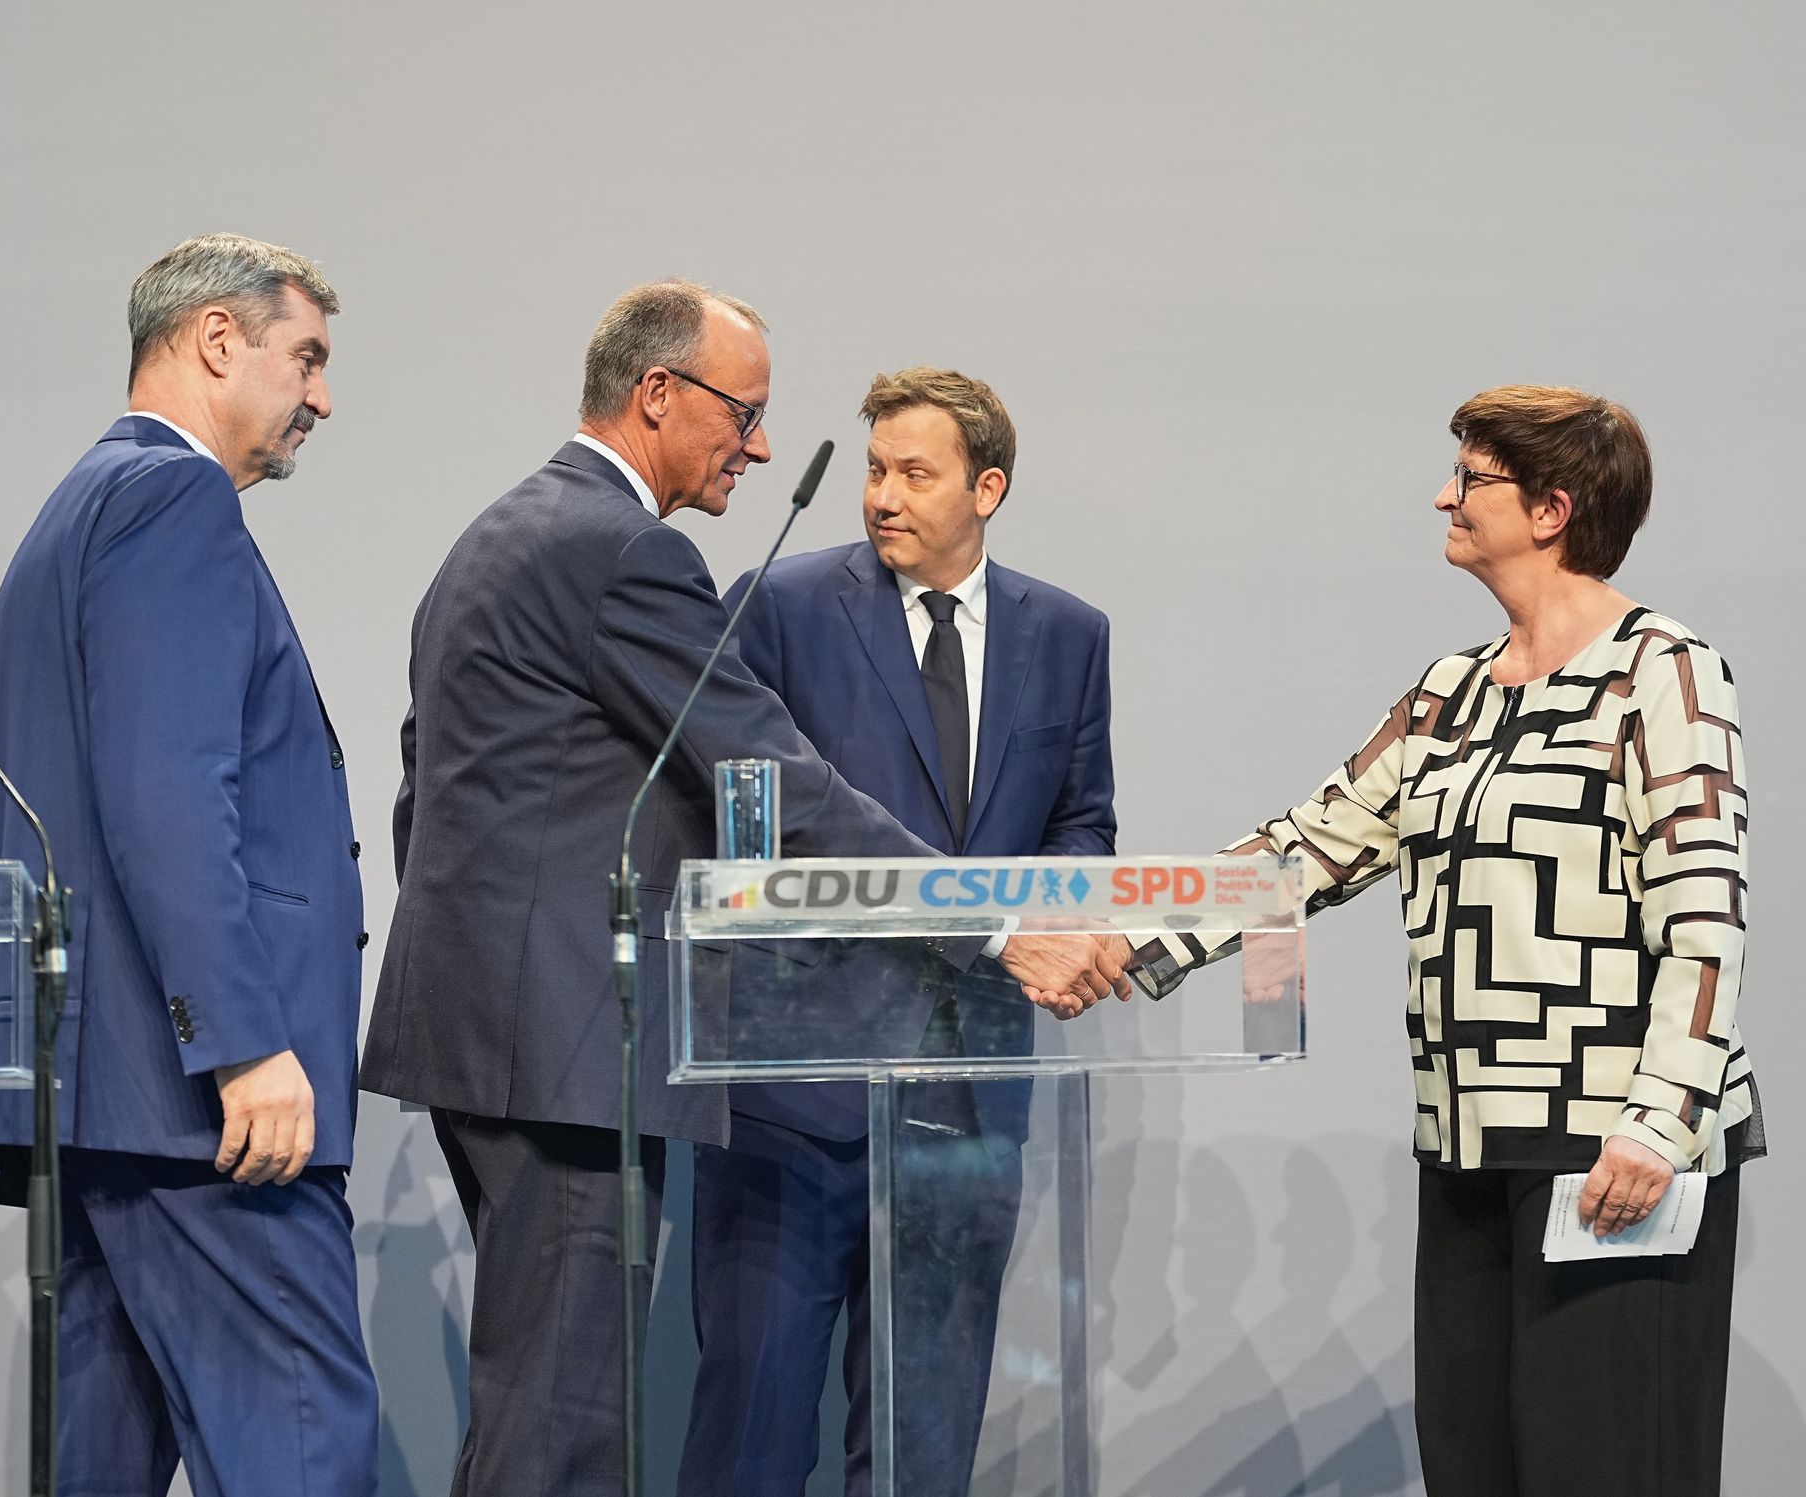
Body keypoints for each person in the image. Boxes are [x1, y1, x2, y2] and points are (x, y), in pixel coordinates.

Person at [358, 281, 1123, 1496]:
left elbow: (429, 785)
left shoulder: (508, 528)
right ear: (658, 393)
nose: (760, 446)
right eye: (744, 413)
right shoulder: (624, 551)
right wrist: (993, 924)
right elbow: (777, 787)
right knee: (559, 1426)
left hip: (515, 1034)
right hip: (570, 1048)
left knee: (545, 1411)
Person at [1133, 386, 1759, 1497]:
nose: (1443, 496)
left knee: (1604, 1472)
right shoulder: (1447, 692)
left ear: (1551, 507)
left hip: (1608, 1158)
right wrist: (1122, 938)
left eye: (1469, 478)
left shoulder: (1659, 669)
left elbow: (1702, 913)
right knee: (1476, 1471)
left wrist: (1657, 1122)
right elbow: (1303, 848)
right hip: (1467, 1148)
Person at [0, 233, 379, 1495]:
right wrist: (243, 1044)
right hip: (194, 1108)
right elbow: (167, 793)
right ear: (213, 341)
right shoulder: (170, 497)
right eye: (304, 356)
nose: (320, 396)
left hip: (98, 1099)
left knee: (101, 1464)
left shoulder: (74, 507)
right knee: (302, 1448)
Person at [677, 367, 1116, 1495]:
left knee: (922, 1440)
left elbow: (1079, 824)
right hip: (793, 1081)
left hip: (966, 1092)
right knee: (753, 1425)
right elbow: (747, 825)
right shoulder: (778, 604)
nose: (880, 496)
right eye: (873, 471)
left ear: (987, 488)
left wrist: (1053, 925)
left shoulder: (1065, 634)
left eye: (913, 474)